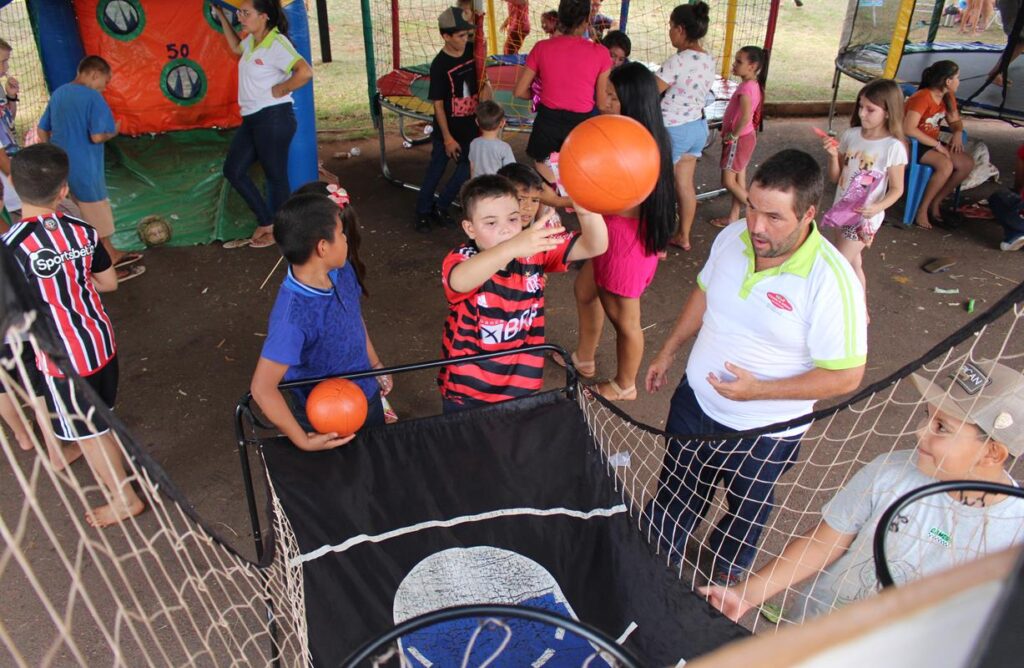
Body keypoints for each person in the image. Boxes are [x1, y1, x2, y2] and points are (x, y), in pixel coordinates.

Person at [644, 149, 867, 585]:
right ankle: (656, 554)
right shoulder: (732, 238)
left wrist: (757, 391)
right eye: (751, 208)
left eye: (774, 217)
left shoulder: (831, 281)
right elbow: (704, 293)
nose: (757, 226)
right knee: (677, 490)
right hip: (695, 403)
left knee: (745, 510)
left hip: (765, 432)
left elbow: (846, 375)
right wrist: (669, 348)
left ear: (808, 215)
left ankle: (724, 576)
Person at [701, 358, 1024, 623]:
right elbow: (826, 540)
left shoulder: (1015, 532)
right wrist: (747, 594)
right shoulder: (891, 470)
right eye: (928, 417)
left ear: (993, 453)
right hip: (813, 631)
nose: (919, 431)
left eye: (941, 428)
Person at [2, 143, 145, 527]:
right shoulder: (83, 229)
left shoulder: (10, 249)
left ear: (12, 183)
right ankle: (120, 479)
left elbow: (11, 315)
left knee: (90, 434)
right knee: (101, 420)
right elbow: (110, 282)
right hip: (100, 343)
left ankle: (124, 498)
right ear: (63, 190)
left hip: (63, 361)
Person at [438, 174, 607, 412]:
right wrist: (514, 246)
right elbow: (461, 281)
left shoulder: (533, 249)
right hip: (468, 391)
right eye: (490, 223)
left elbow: (595, 245)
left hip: (522, 385)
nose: (506, 230)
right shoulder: (462, 259)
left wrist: (586, 208)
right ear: (470, 228)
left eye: (513, 218)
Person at [560, 62, 676, 400]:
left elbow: (619, 200)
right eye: (606, 94)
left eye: (613, 96)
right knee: (585, 289)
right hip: (610, 233)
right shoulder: (628, 131)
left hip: (625, 241)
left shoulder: (638, 143)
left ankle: (625, 385)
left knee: (625, 319)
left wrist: (563, 196)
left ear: (633, 101)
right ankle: (584, 358)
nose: (604, 102)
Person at [250, 190, 391, 451]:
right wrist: (302, 440)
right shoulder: (292, 318)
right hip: (323, 415)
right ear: (322, 247)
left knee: (374, 458)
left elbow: (353, 316)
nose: (346, 238)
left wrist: (375, 364)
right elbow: (262, 388)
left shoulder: (342, 270)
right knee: (338, 478)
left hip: (365, 393)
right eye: (340, 233)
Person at [215, 0, 313, 249]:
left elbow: (305, 72)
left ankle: (281, 231)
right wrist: (222, 17)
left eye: (246, 13)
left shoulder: (277, 43)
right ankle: (267, 221)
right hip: (253, 118)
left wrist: (283, 87)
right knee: (234, 170)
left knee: (276, 176)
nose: (241, 17)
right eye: (240, 12)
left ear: (264, 17)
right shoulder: (251, 40)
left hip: (273, 117)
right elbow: (236, 47)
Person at [37, 55, 145, 282]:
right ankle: (104, 265)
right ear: (94, 74)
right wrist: (113, 132)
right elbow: (96, 136)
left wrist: (51, 153)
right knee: (95, 213)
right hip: (85, 166)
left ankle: (111, 253)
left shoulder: (59, 93)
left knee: (75, 212)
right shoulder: (93, 98)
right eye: (105, 81)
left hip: (61, 165)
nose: (105, 87)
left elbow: (42, 130)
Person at [514, 0, 612, 205]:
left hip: (547, 119)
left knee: (541, 161)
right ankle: (571, 198)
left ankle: (557, 193)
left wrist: (542, 95)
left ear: (560, 19)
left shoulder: (542, 48)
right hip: (581, 124)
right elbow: (602, 103)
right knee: (579, 168)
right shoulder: (600, 53)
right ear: (587, 20)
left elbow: (520, 91)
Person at [821, 78, 907, 294]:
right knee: (853, 264)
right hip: (842, 210)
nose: (862, 113)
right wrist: (833, 156)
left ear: (888, 112)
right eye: (860, 106)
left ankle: (841, 310)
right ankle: (862, 311)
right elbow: (836, 178)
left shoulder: (893, 147)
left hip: (863, 218)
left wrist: (877, 208)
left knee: (835, 265)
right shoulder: (851, 135)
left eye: (870, 109)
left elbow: (897, 189)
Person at [414, 7, 484, 232]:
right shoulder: (440, 65)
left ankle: (441, 206)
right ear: (445, 36)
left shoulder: (473, 51)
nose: (465, 40)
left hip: (471, 130)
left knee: (465, 170)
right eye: (460, 36)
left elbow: (483, 79)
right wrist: (447, 139)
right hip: (448, 132)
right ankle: (423, 212)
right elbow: (438, 104)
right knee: (435, 170)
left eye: (467, 35)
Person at [656, 2, 715, 251]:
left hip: (673, 130)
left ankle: (657, 243)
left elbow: (652, 91)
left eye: (671, 26)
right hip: (697, 128)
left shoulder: (677, 61)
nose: (669, 31)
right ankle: (684, 236)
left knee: (660, 187)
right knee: (685, 184)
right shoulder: (707, 59)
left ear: (680, 29)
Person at [903, 60, 974, 230]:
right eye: (957, 78)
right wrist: (938, 145)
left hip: (930, 143)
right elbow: (908, 128)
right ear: (947, 81)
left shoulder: (947, 97)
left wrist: (957, 132)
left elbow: (955, 122)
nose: (959, 81)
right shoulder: (922, 97)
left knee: (967, 164)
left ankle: (937, 201)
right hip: (913, 143)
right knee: (945, 165)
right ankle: (922, 209)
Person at [710, 46, 764, 229]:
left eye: (739, 62)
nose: (734, 64)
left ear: (752, 66)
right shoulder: (751, 84)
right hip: (745, 138)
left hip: (739, 141)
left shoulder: (747, 88)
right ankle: (734, 217)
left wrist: (733, 135)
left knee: (728, 181)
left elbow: (746, 116)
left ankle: (757, 212)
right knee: (739, 181)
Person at [0, 38, 22, 228]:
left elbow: (8, 120)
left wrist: (11, 97)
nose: (6, 67)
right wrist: (18, 178)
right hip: (5, 165)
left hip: (10, 157)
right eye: (2, 61)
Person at [469, 101, 516, 177]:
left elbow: (472, 167)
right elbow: (511, 170)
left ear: (477, 122)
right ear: (502, 123)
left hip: (477, 184)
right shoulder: (504, 147)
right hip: (496, 185)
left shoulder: (474, 143)